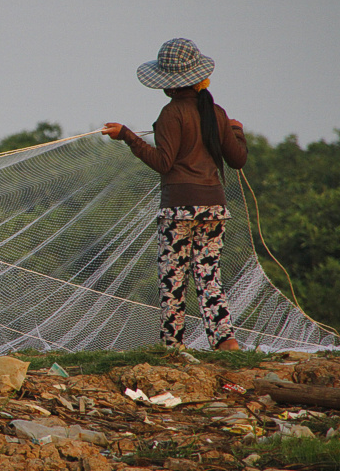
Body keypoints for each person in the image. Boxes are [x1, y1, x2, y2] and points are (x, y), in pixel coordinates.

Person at [102, 38, 248, 351]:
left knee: (173, 280)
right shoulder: (217, 113)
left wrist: (127, 136)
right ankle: (226, 343)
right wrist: (235, 130)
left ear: (168, 85)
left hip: (179, 209)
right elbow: (237, 160)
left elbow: (163, 163)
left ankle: (173, 346)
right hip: (213, 207)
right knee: (209, 276)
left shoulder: (170, 114)